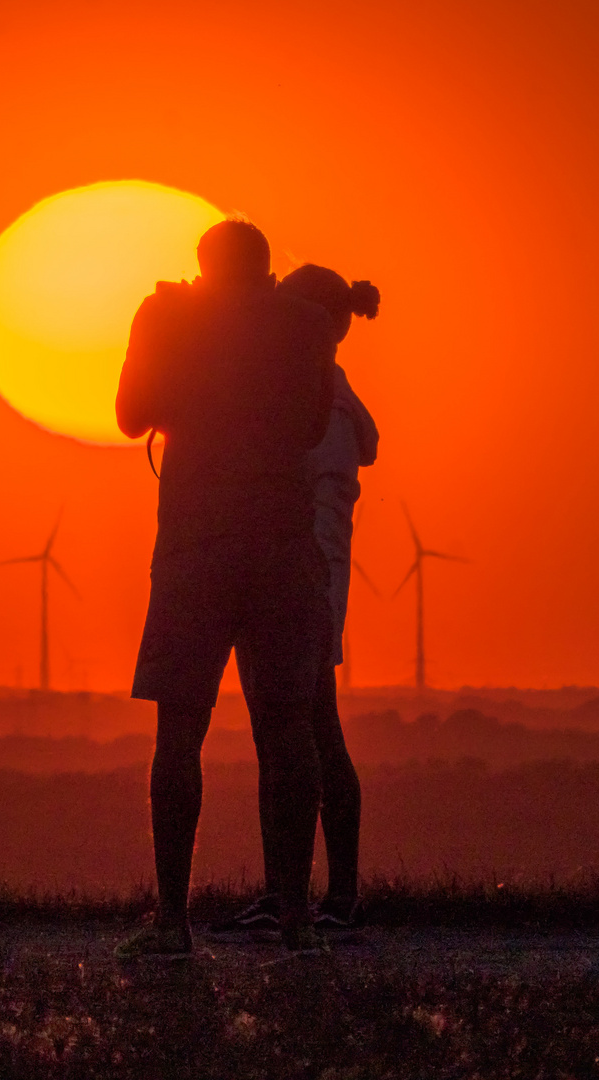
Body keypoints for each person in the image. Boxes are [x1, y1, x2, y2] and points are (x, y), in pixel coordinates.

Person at [112, 220, 337, 957]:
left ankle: (173, 922)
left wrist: (174, 346)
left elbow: (128, 416)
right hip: (282, 542)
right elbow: (309, 430)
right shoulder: (304, 327)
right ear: (267, 270)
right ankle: (299, 923)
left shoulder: (169, 317)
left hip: (195, 545)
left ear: (204, 268)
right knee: (289, 728)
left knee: (180, 731)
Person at [219, 265, 380, 938]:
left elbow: (314, 507)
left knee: (314, 735)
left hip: (305, 581)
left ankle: (334, 898)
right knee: (285, 736)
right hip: (294, 578)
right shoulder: (324, 399)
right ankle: (288, 890)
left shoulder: (328, 410)